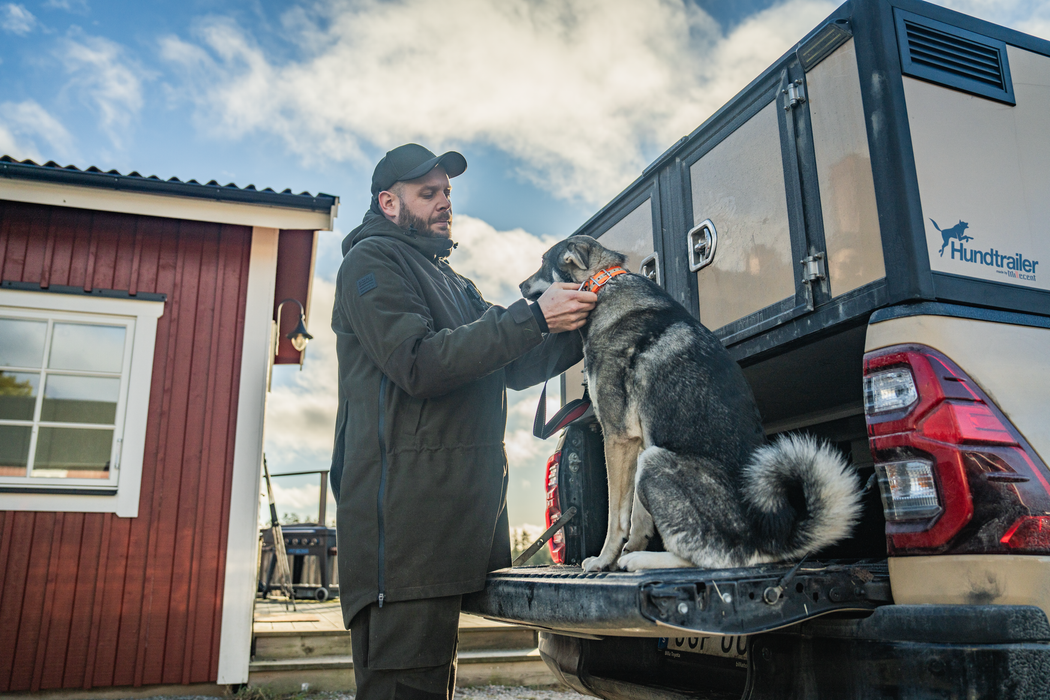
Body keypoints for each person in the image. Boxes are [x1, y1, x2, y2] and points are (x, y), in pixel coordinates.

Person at [330, 143, 596, 700]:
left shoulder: (452, 281)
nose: (444, 202)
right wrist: (531, 316)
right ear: (388, 201)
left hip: (444, 537)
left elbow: (514, 363)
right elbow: (418, 363)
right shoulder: (370, 263)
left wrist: (580, 324)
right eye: (428, 193)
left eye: (447, 192)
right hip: (401, 548)